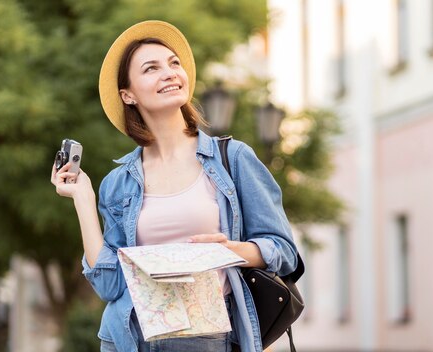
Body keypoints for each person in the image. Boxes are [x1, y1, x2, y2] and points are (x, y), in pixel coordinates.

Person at [50, 20, 299, 352]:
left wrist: (231, 251)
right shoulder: (118, 184)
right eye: (151, 68)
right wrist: (83, 197)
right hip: (128, 338)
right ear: (128, 94)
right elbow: (110, 286)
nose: (169, 73)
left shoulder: (233, 159)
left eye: (174, 63)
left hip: (209, 339)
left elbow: (284, 252)